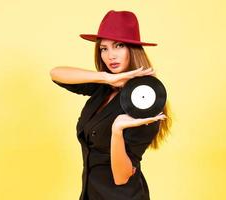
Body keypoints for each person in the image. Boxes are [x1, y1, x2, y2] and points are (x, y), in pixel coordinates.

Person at [50, 10, 172, 200]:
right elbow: (56, 73)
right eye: (104, 48)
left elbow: (121, 177)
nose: (110, 56)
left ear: (133, 49)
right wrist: (105, 77)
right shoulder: (105, 87)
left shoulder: (145, 101)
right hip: (90, 193)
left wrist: (117, 132)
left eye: (119, 46)